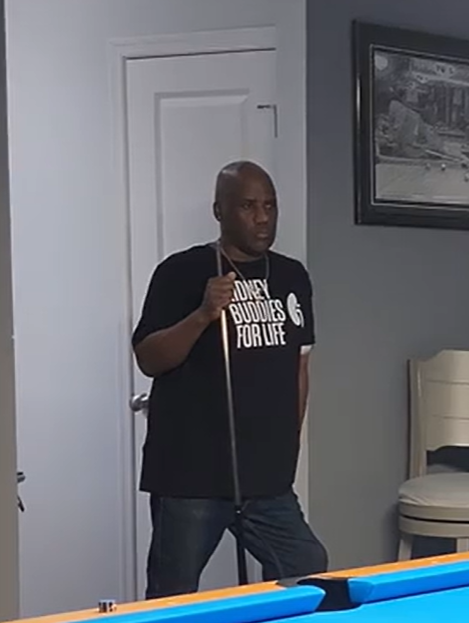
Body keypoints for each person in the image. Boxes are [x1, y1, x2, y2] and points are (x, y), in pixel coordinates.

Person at [132, 160, 327, 598]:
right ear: (220, 211)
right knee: (173, 591)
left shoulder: (292, 276)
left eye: (270, 206)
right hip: (190, 474)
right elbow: (149, 358)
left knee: (306, 566)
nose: (262, 218)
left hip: (266, 478)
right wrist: (202, 314)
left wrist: (288, 442)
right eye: (248, 206)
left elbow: (300, 367)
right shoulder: (181, 271)